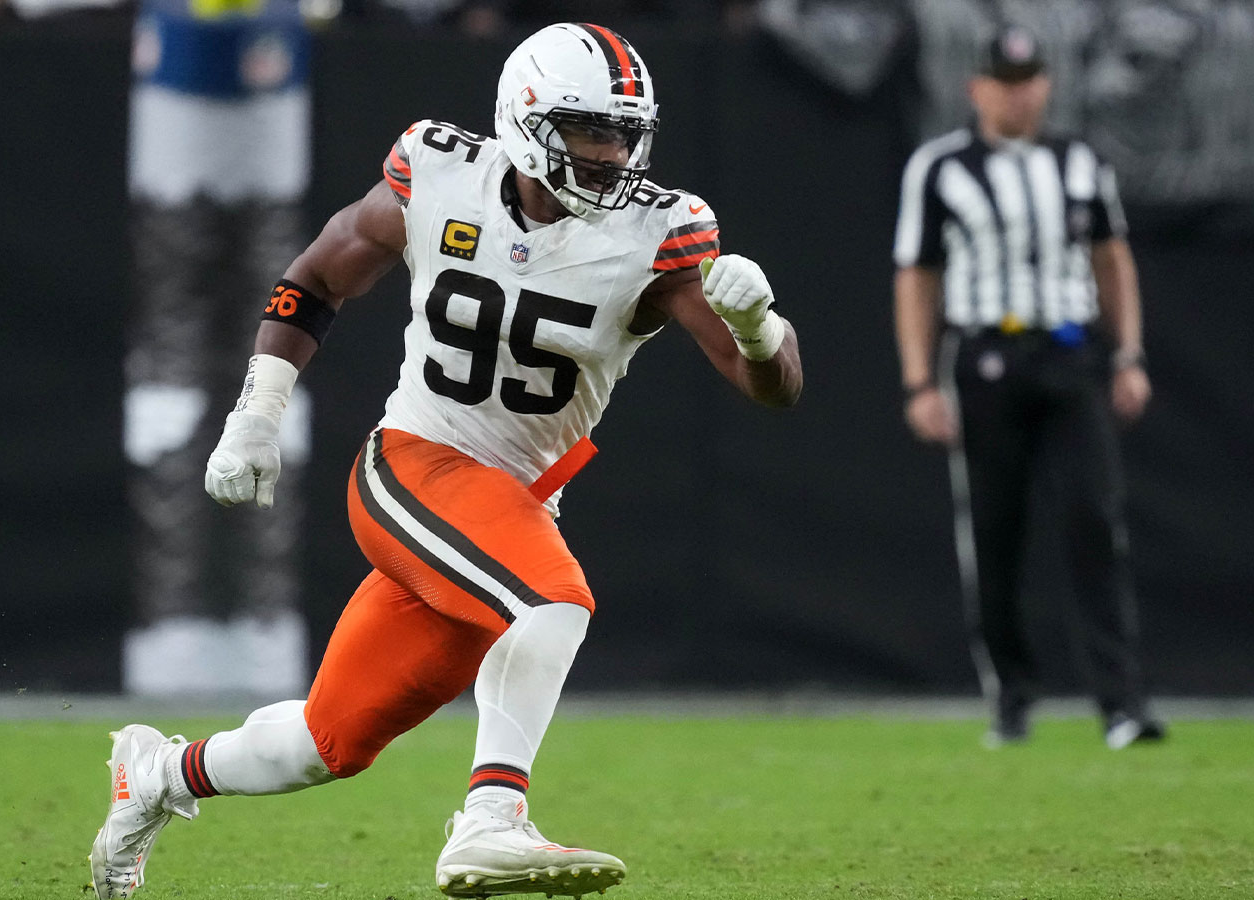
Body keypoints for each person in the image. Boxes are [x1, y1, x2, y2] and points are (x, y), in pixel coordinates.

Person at [90, 21, 803, 899]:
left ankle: (157, 775)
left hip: (511, 506)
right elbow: (315, 279)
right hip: (415, 465)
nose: (611, 154)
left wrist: (758, 327)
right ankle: (491, 822)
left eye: (624, 134)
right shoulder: (438, 171)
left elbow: (768, 386)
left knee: (327, 743)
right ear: (525, 118)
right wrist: (255, 416)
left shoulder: (660, 234)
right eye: (588, 130)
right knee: (553, 600)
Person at [892, 24, 1165, 751]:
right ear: (977, 87)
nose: (1020, 93)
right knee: (994, 531)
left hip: (1071, 354)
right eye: (1005, 81)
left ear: (1045, 83)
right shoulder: (940, 167)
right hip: (986, 358)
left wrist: (1129, 353)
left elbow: (1113, 259)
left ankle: (1121, 704)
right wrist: (920, 379)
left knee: (1093, 521)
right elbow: (917, 276)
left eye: (1030, 79)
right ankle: (1011, 697)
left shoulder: (1081, 161)